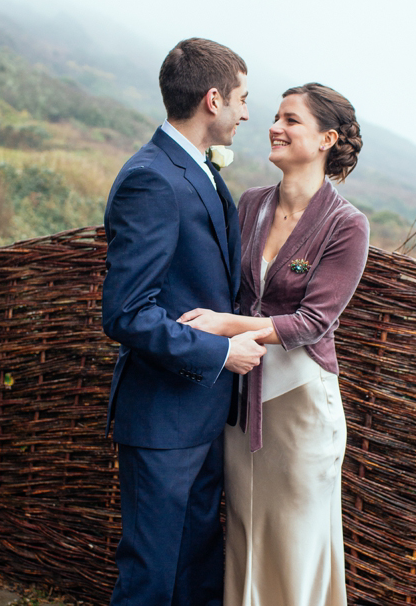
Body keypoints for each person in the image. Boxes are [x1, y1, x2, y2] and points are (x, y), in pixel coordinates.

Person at [179, 82, 370, 606]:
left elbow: (313, 321)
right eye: (275, 117)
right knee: (245, 537)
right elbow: (228, 286)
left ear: (327, 138)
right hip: (242, 405)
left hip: (302, 409)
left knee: (295, 545)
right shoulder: (251, 204)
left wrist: (224, 326)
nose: (274, 127)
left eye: (291, 120)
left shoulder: (346, 225)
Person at [102, 38, 269, 606]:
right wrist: (223, 352)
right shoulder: (152, 178)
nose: (249, 113)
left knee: (194, 575)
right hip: (163, 419)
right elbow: (127, 313)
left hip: (201, 415)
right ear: (213, 99)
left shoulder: (195, 170)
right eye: (244, 99)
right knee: (151, 579)